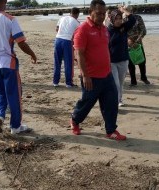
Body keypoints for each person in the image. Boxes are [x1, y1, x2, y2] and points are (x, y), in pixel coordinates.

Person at [69, 0, 127, 141]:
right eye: (98, 13)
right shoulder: (82, 30)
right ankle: (75, 121)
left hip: (107, 75)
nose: (101, 16)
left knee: (111, 102)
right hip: (91, 76)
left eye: (103, 14)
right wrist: (85, 75)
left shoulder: (105, 29)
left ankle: (111, 130)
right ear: (90, 12)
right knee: (86, 104)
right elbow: (79, 53)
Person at [0, 0, 37, 135]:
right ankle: (15, 126)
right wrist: (32, 54)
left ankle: (0, 116)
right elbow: (21, 42)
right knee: (14, 95)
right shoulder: (10, 19)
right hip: (8, 62)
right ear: (5, 1)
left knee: (0, 93)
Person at [108, 8, 136, 107]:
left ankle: (119, 100)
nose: (119, 20)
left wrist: (124, 10)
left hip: (124, 60)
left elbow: (133, 19)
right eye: (116, 18)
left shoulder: (124, 27)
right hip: (112, 62)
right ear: (111, 19)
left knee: (121, 83)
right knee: (115, 83)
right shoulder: (107, 30)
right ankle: (115, 101)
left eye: (120, 18)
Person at [53, 7, 80, 88]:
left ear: (70, 13)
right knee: (68, 63)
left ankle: (55, 82)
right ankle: (68, 83)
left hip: (58, 40)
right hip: (67, 41)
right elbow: (77, 36)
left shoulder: (62, 18)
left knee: (57, 62)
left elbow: (57, 29)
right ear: (77, 14)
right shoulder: (77, 23)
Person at [124, 5, 150, 86]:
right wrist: (128, 41)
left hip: (138, 43)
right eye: (125, 9)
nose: (127, 11)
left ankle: (143, 77)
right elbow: (122, 32)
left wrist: (137, 40)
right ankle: (133, 81)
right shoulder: (123, 19)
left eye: (128, 9)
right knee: (130, 63)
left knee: (142, 61)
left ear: (132, 10)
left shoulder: (138, 18)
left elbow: (143, 30)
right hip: (128, 44)